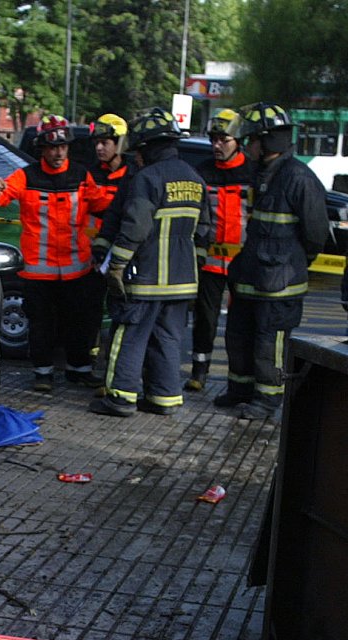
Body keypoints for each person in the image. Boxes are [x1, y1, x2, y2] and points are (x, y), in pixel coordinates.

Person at [89, 108, 210, 417]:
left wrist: (116, 264)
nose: (136, 158)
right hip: (182, 281)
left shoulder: (147, 178)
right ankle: (164, 398)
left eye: (139, 151)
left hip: (145, 277)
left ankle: (120, 398)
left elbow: (135, 227)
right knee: (168, 339)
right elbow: (205, 230)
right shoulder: (195, 178)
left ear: (149, 147)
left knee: (128, 336)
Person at [214, 103, 328, 421]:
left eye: (252, 140)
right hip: (252, 278)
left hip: (280, 285)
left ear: (267, 141)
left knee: (269, 341)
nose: (248, 146)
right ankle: (240, 390)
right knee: (238, 335)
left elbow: (316, 234)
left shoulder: (298, 178)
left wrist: (291, 263)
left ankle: (267, 401)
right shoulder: (262, 173)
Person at [0, 114, 111, 392]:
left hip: (76, 267)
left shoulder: (81, 175)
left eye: (63, 147)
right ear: (42, 148)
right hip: (37, 270)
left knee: (78, 322)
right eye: (53, 147)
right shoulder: (25, 176)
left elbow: (100, 204)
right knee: (41, 324)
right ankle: (43, 374)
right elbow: (2, 195)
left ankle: (79, 370)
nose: (58, 152)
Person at [186, 108, 253, 391]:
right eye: (213, 139)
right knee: (205, 320)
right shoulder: (202, 172)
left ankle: (237, 377)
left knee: (241, 323)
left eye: (223, 140)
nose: (216, 145)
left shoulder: (252, 172)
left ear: (237, 140)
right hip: (210, 262)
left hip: (243, 262)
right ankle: (199, 372)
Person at [85, 113, 133, 380]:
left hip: (120, 258)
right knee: (90, 312)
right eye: (97, 143)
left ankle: (107, 366)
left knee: (114, 312)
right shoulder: (89, 174)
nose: (100, 148)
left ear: (120, 143)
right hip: (90, 256)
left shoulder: (133, 177)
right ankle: (91, 364)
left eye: (106, 142)